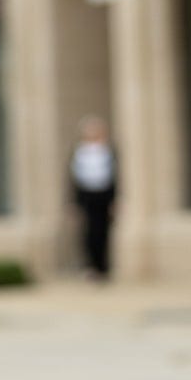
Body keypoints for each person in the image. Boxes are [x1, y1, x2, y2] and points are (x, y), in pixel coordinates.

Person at [69, 114, 118, 278]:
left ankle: (103, 266)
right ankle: (90, 265)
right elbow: (73, 180)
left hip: (104, 196)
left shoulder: (109, 151)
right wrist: (74, 202)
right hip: (87, 197)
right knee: (88, 231)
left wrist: (115, 199)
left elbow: (115, 178)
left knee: (103, 231)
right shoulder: (79, 152)